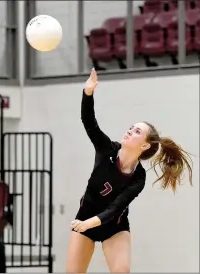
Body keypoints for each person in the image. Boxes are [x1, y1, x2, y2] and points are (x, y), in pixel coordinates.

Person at [66, 68, 193, 273]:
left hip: (112, 227)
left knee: (122, 271)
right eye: (131, 127)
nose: (130, 131)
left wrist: (89, 224)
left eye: (137, 131)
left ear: (144, 145)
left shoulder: (138, 178)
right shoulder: (107, 149)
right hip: (84, 219)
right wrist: (87, 93)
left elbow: (115, 209)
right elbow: (89, 122)